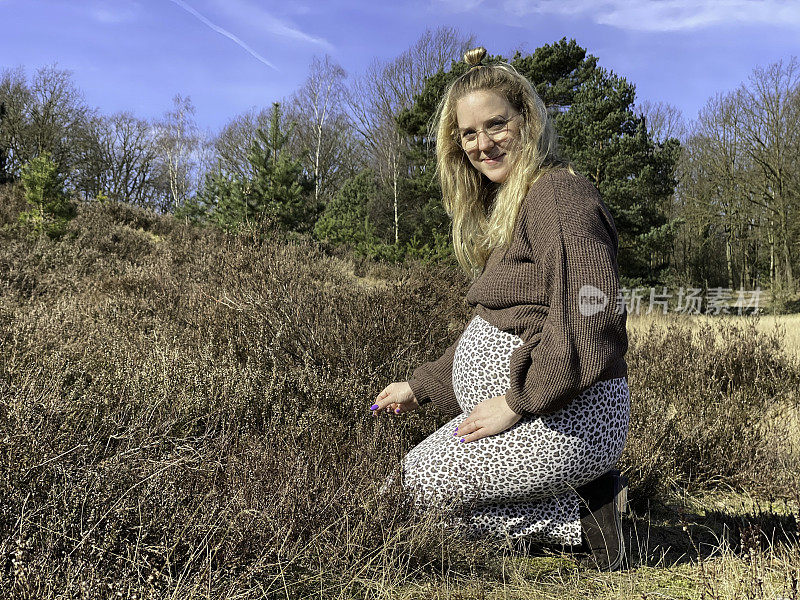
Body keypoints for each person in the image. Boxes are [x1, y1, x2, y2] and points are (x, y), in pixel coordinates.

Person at [369, 47, 630, 571]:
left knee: (418, 488)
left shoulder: (559, 194)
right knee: (408, 489)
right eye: (468, 134)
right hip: (543, 409)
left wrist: (519, 400)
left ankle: (583, 522)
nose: (482, 144)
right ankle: (592, 503)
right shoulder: (515, 204)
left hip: (570, 413)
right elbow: (503, 323)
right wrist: (420, 387)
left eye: (496, 125)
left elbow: (591, 311)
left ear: (527, 121)